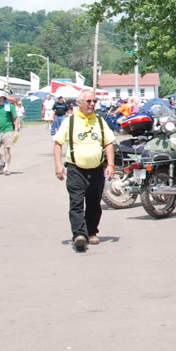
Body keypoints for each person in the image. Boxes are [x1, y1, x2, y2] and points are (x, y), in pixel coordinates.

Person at [53, 91, 115, 252]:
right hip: (76, 169)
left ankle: (91, 232)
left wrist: (111, 165)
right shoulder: (70, 122)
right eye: (88, 101)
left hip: (96, 169)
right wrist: (58, 165)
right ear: (79, 102)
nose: (92, 104)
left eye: (94, 101)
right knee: (76, 202)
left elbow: (108, 143)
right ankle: (79, 235)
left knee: (94, 203)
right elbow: (58, 143)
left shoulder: (100, 122)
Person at [0, 90, 22, 175]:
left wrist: (16, 129)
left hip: (8, 130)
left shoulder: (10, 106)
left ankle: (6, 168)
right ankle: (2, 163)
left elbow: (16, 118)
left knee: (6, 149)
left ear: (3, 97)